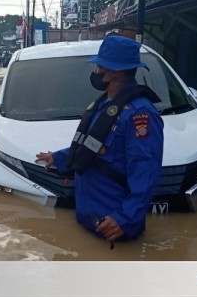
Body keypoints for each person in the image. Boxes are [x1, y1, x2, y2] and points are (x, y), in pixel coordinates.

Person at [35, 35, 164, 242]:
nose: (96, 72)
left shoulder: (140, 115)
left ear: (114, 72)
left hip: (113, 228)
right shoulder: (106, 105)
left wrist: (124, 219)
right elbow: (93, 146)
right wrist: (59, 158)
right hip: (91, 222)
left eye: (99, 67)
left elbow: (145, 174)